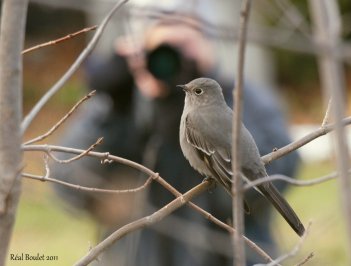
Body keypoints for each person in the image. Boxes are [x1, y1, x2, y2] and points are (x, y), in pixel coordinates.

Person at [52, 20, 299, 265]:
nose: (172, 61)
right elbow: (65, 182)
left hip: (229, 256)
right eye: (161, 49)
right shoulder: (121, 104)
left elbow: (281, 167)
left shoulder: (242, 97)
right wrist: (115, 110)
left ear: (207, 46)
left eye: (183, 46)